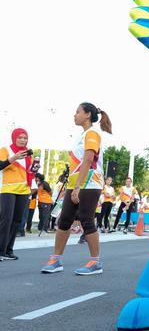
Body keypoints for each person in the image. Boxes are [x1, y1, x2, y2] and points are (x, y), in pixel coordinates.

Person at [41, 102, 112, 275]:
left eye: (77, 112)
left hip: (90, 183)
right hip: (76, 184)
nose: (75, 115)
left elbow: (88, 159)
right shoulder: (83, 135)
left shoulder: (92, 133)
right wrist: (72, 185)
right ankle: (56, 259)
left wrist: (78, 186)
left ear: (87, 114)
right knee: (64, 220)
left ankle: (95, 262)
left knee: (87, 220)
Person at [0, 128, 34, 260]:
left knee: (17, 221)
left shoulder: (28, 153)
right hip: (8, 189)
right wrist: (13, 158)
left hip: (24, 190)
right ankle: (0, 250)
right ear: (14, 138)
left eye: (25, 138)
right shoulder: (5, 150)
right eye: (20, 137)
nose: (22, 140)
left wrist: (34, 169)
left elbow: (28, 172)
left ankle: (9, 250)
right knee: (5, 220)